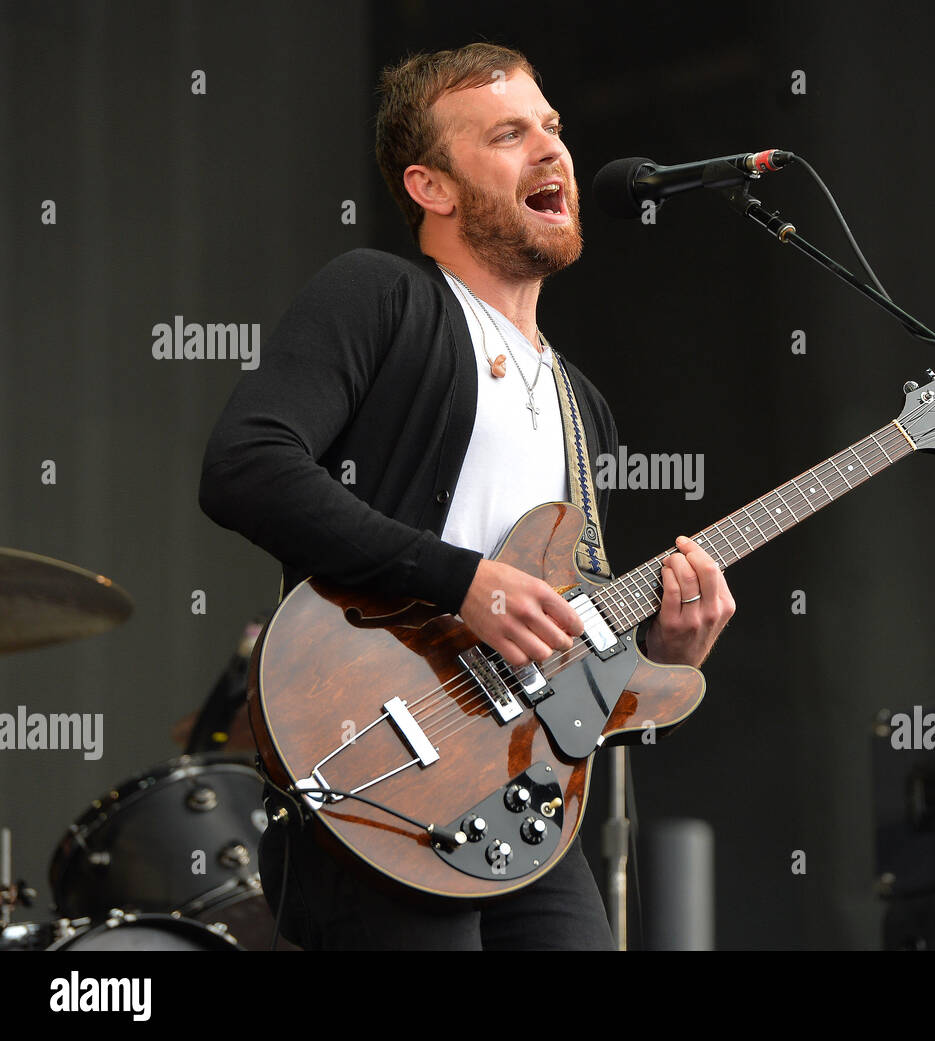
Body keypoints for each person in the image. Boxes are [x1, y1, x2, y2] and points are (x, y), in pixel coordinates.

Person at [197, 42, 735, 950]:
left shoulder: (583, 407)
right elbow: (245, 464)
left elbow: (565, 643)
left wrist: (659, 648)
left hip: (524, 799)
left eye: (553, 128)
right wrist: (460, 581)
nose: (552, 150)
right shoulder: (379, 295)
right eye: (509, 134)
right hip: (380, 763)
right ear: (432, 187)